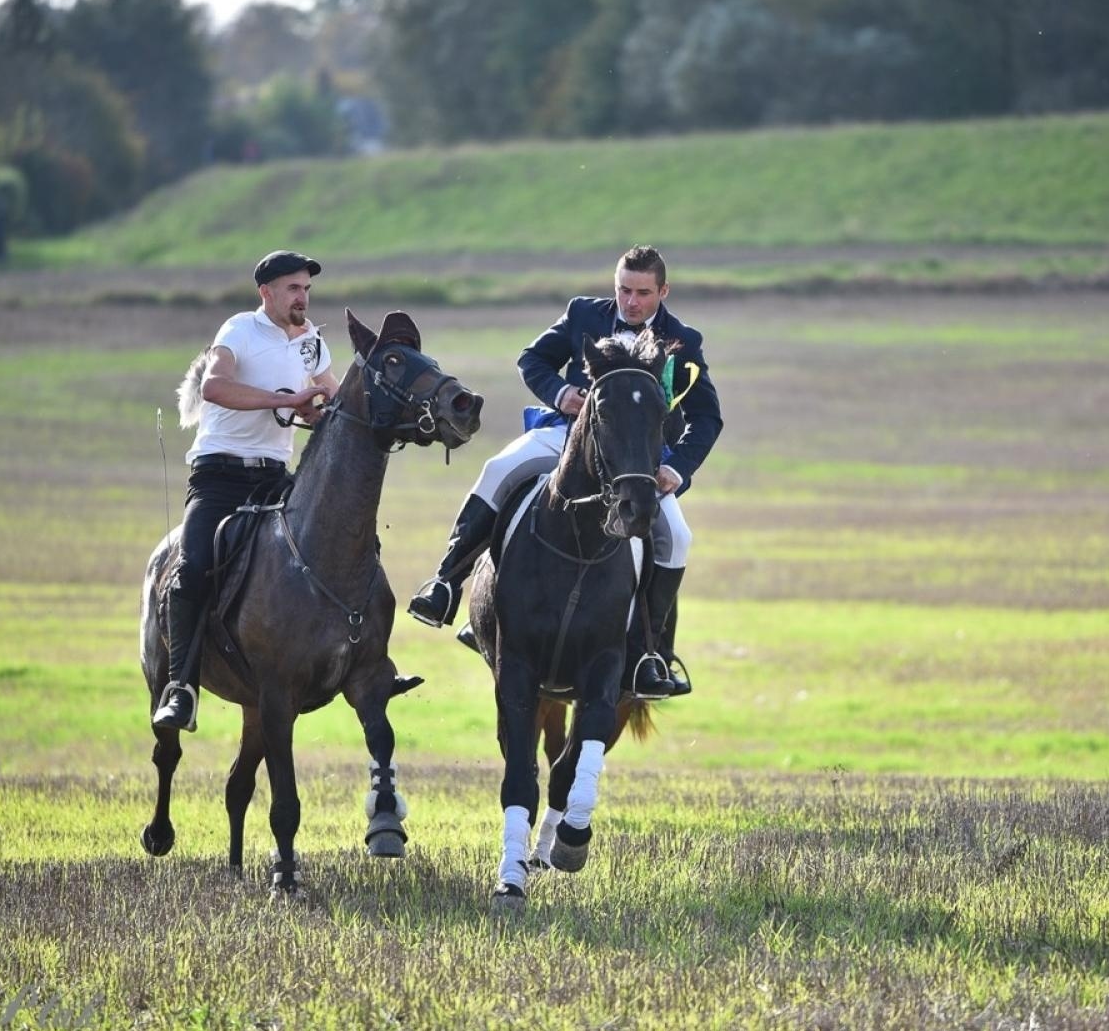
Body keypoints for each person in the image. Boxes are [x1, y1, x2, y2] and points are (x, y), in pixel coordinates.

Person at [407, 245, 723, 698]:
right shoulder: (582, 314)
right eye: (624, 290)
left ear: (663, 292)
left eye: (642, 293)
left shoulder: (683, 340)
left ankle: (649, 655)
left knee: (678, 537)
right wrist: (560, 394)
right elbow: (531, 360)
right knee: (498, 469)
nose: (631, 302)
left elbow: (707, 417)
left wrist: (678, 467)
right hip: (568, 436)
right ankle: (446, 585)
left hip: (635, 461)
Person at [153, 250, 340, 730]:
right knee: (192, 568)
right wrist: (286, 400)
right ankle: (181, 689)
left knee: (337, 543)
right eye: (293, 288)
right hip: (218, 477)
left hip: (275, 478)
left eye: (306, 289)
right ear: (266, 293)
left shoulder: (312, 342)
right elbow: (214, 388)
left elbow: (332, 401)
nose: (302, 298)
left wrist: (316, 412)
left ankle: (360, 662)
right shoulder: (238, 330)